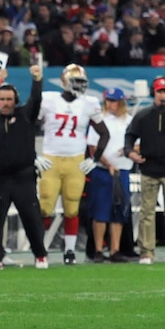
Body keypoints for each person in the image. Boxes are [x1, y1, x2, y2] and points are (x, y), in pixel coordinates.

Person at [0, 61, 47, 268]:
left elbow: (36, 99)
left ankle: (40, 255)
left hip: (24, 176)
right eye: (2, 99)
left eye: (9, 99)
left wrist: (37, 80)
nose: (6, 103)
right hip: (0, 179)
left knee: (31, 218)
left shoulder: (26, 115)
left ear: (15, 100)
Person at [37, 64, 106, 263]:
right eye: (75, 81)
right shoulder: (48, 100)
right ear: (64, 81)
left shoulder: (89, 103)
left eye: (82, 82)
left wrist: (93, 160)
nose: (79, 86)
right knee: (45, 205)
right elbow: (29, 127)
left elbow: (104, 133)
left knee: (72, 206)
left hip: (76, 160)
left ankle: (69, 251)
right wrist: (34, 155)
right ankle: (40, 250)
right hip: (51, 159)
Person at [125, 77, 165, 265]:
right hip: (149, 169)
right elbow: (129, 136)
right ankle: (146, 252)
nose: (162, 95)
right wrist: (129, 152)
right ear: (154, 93)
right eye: (159, 91)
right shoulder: (142, 116)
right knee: (146, 212)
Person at [84, 88, 133, 262]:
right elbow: (93, 147)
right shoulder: (100, 120)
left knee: (119, 211)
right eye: (108, 100)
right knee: (100, 211)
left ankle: (115, 249)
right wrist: (107, 163)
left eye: (114, 101)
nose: (110, 104)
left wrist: (129, 150)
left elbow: (138, 143)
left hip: (123, 168)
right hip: (103, 170)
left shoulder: (129, 121)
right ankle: (98, 249)